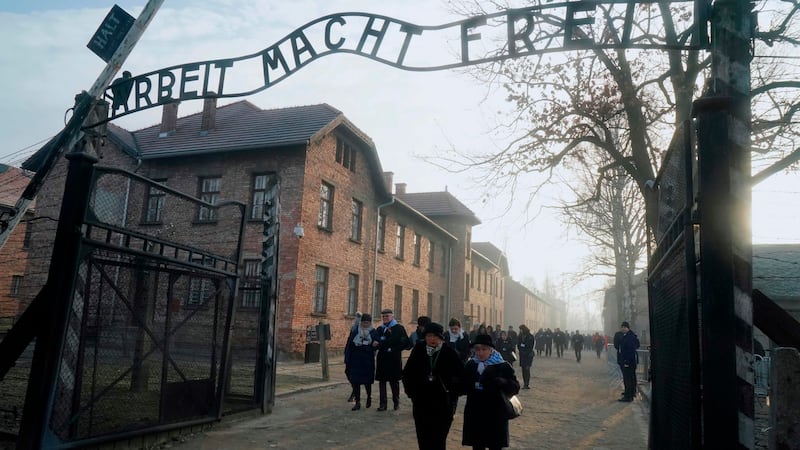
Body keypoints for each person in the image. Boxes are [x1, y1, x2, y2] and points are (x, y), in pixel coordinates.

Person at [402, 322, 464, 450]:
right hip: (421, 403)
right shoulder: (419, 349)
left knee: (438, 440)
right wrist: (411, 393)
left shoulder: (449, 352)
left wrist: (452, 395)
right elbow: (408, 373)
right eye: (429, 336)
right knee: (423, 439)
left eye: (435, 336)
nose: (432, 339)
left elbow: (461, 376)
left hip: (442, 405)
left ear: (441, 337)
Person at [460, 334, 520, 450]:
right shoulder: (471, 365)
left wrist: (502, 382)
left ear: (491, 349)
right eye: (477, 349)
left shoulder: (502, 365)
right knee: (477, 445)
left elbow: (515, 387)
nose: (480, 352)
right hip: (475, 413)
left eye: (484, 349)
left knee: (495, 445)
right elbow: (463, 386)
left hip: (495, 414)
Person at [373, 308, 409, 411]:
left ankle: (396, 402)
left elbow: (405, 342)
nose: (385, 318)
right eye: (383, 316)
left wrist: (393, 349)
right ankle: (383, 404)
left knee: (394, 382)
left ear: (392, 317)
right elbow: (376, 341)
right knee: (382, 382)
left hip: (394, 358)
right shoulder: (380, 329)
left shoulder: (399, 328)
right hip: (383, 358)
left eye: (387, 316)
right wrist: (375, 344)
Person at [344, 314, 377, 410]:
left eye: (367, 323)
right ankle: (357, 402)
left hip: (367, 361)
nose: (365, 324)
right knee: (356, 382)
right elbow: (350, 345)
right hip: (356, 361)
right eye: (363, 323)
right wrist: (348, 359)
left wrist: (375, 345)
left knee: (367, 383)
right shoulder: (355, 331)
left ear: (370, 323)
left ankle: (368, 397)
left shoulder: (373, 332)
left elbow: (378, 343)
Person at [619, 321, 640, 402]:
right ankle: (630, 394)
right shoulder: (629, 336)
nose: (623, 329)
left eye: (624, 327)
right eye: (622, 327)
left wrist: (627, 362)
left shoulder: (630, 337)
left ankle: (628, 396)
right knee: (629, 378)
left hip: (629, 362)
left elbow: (631, 351)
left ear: (627, 328)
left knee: (628, 379)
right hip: (629, 361)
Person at [516, 325, 535, 389]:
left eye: (521, 329)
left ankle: (527, 384)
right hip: (522, 355)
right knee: (523, 369)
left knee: (527, 369)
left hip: (528, 355)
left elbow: (531, 346)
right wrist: (521, 350)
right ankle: (525, 382)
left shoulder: (530, 336)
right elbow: (518, 344)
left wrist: (526, 351)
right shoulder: (520, 336)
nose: (520, 331)